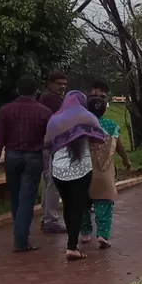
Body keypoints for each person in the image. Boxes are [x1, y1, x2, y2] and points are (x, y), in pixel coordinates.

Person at [0, 75, 53, 252]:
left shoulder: (6, 111)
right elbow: (51, 139)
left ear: (18, 91)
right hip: (33, 157)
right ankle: (21, 240)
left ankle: (20, 235)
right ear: (36, 92)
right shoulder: (44, 112)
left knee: (16, 197)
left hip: (12, 156)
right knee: (27, 198)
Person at [43, 90, 105, 261]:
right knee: (78, 207)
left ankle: (72, 244)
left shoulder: (56, 119)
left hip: (59, 169)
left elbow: (47, 142)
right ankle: (71, 247)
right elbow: (99, 137)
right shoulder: (87, 116)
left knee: (68, 206)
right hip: (82, 169)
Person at [82, 82, 132, 249]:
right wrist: (126, 160)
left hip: (82, 171)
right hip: (104, 172)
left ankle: (85, 232)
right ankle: (103, 234)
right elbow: (119, 147)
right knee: (104, 203)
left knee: (83, 203)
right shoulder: (111, 126)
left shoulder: (80, 125)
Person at [38, 71, 69, 233]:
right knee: (53, 181)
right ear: (50, 83)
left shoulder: (51, 98)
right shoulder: (51, 99)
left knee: (49, 180)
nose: (62, 87)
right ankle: (50, 219)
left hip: (49, 143)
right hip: (51, 144)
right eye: (59, 83)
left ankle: (47, 217)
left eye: (64, 84)